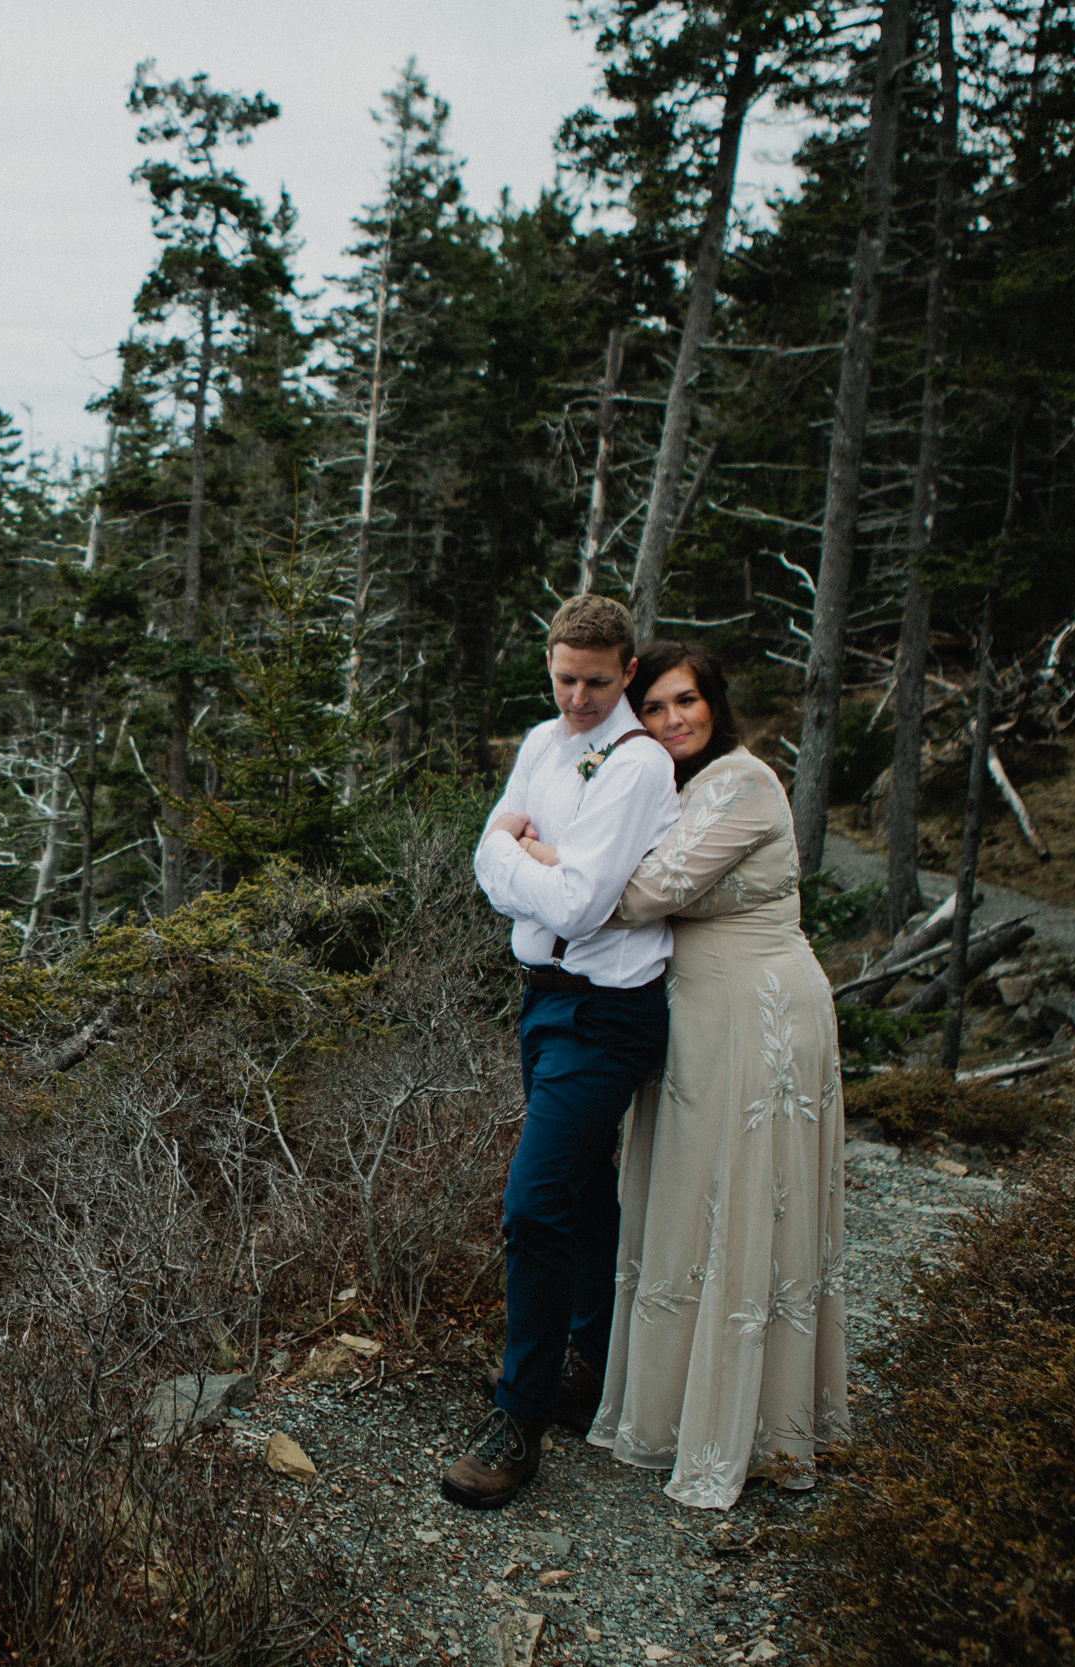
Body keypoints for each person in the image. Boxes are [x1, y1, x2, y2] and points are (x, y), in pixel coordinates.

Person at [586, 640, 850, 1509]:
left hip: (758, 1012)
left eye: (684, 700)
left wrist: (562, 867)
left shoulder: (744, 781)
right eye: (653, 708)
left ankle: (750, 1430)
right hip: (697, 1019)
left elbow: (643, 890)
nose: (669, 721)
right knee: (685, 1202)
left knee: (741, 1206)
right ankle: (670, 1414)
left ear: (715, 700)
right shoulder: (676, 784)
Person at [442, 594, 681, 1511]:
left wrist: (528, 862)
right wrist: (527, 858)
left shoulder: (639, 763)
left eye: (595, 680)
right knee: (580, 1194)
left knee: (533, 1205)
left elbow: (582, 905)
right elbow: (485, 856)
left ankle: (520, 1418)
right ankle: (590, 1359)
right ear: (549, 666)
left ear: (627, 671)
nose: (578, 696)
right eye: (564, 678)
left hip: (610, 1012)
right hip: (542, 1005)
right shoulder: (543, 743)